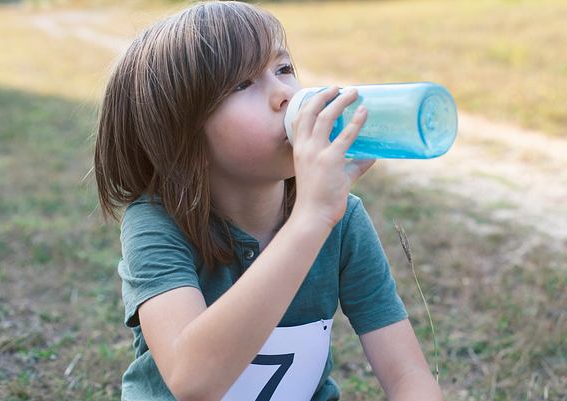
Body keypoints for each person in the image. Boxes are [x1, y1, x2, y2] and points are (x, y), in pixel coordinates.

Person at [93, 2, 443, 400]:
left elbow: (406, 374)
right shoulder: (157, 223)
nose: (284, 95)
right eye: (242, 84)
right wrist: (310, 220)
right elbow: (193, 381)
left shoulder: (343, 220)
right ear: (185, 138)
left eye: (283, 69)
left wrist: (318, 216)